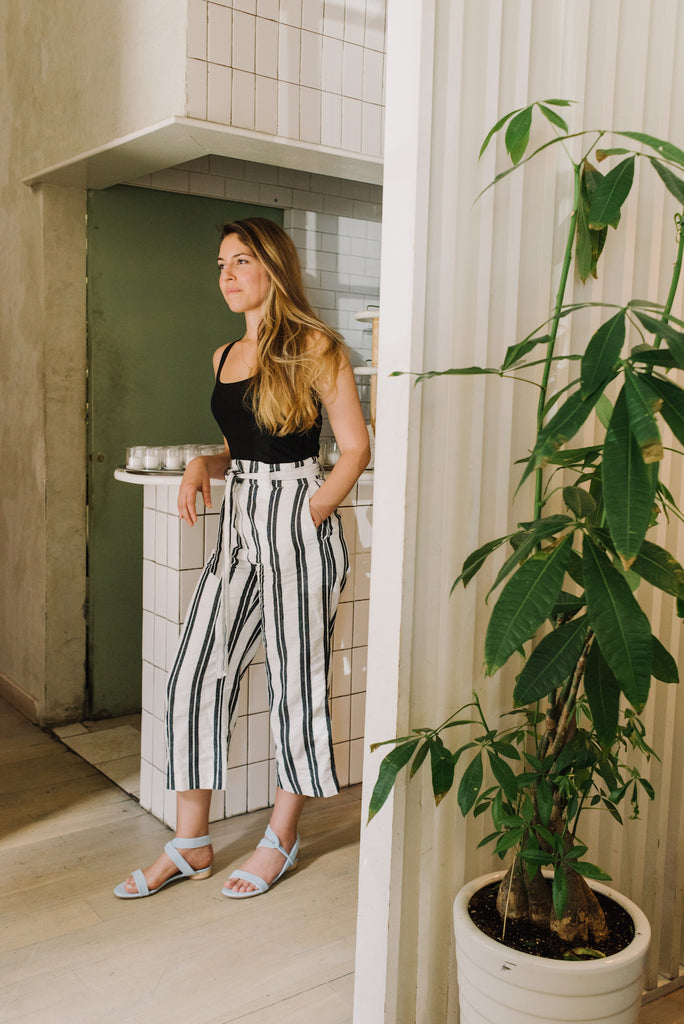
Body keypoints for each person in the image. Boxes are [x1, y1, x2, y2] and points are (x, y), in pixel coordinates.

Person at [115, 217, 371, 899]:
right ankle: (191, 842)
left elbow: (353, 448)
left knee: (296, 682)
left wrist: (311, 511)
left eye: (241, 261)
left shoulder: (316, 346)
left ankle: (281, 839)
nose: (227, 274)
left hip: (295, 522)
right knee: (195, 670)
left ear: (273, 268)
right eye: (220, 263)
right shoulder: (224, 355)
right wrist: (206, 460)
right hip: (239, 528)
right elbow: (245, 444)